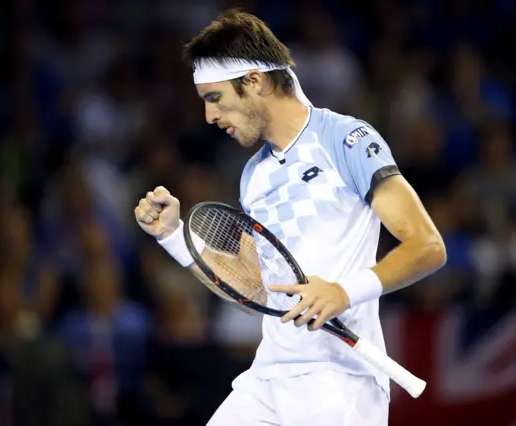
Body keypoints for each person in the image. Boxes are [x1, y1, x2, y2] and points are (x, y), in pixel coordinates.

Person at [134, 9, 446, 426]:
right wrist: (173, 237)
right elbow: (253, 294)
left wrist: (343, 291)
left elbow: (428, 247)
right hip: (267, 380)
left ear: (254, 81)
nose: (209, 117)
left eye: (215, 99)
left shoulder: (345, 138)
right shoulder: (254, 176)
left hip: (339, 383)